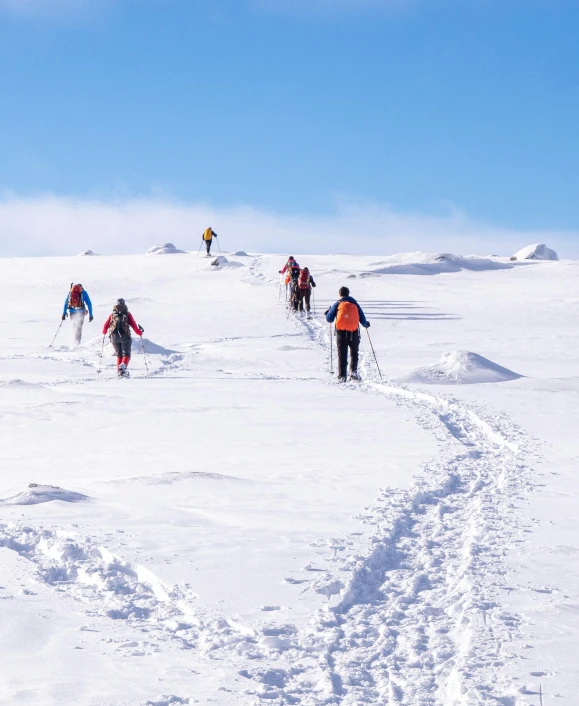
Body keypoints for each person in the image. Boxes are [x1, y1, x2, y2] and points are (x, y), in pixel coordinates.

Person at [325, 286, 370, 382]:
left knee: (342, 354)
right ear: (348, 293)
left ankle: (342, 376)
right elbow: (362, 319)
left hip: (341, 333)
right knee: (354, 352)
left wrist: (328, 312)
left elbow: (329, 319)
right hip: (353, 333)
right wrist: (366, 324)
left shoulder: (337, 304)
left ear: (339, 294)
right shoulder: (355, 304)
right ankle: (353, 372)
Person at [102, 299, 144, 378]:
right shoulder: (127, 314)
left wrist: (104, 332)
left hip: (114, 337)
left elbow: (105, 326)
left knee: (119, 354)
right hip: (124, 336)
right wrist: (139, 333)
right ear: (124, 304)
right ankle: (123, 367)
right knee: (126, 354)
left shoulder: (112, 315)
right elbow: (134, 326)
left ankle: (119, 371)